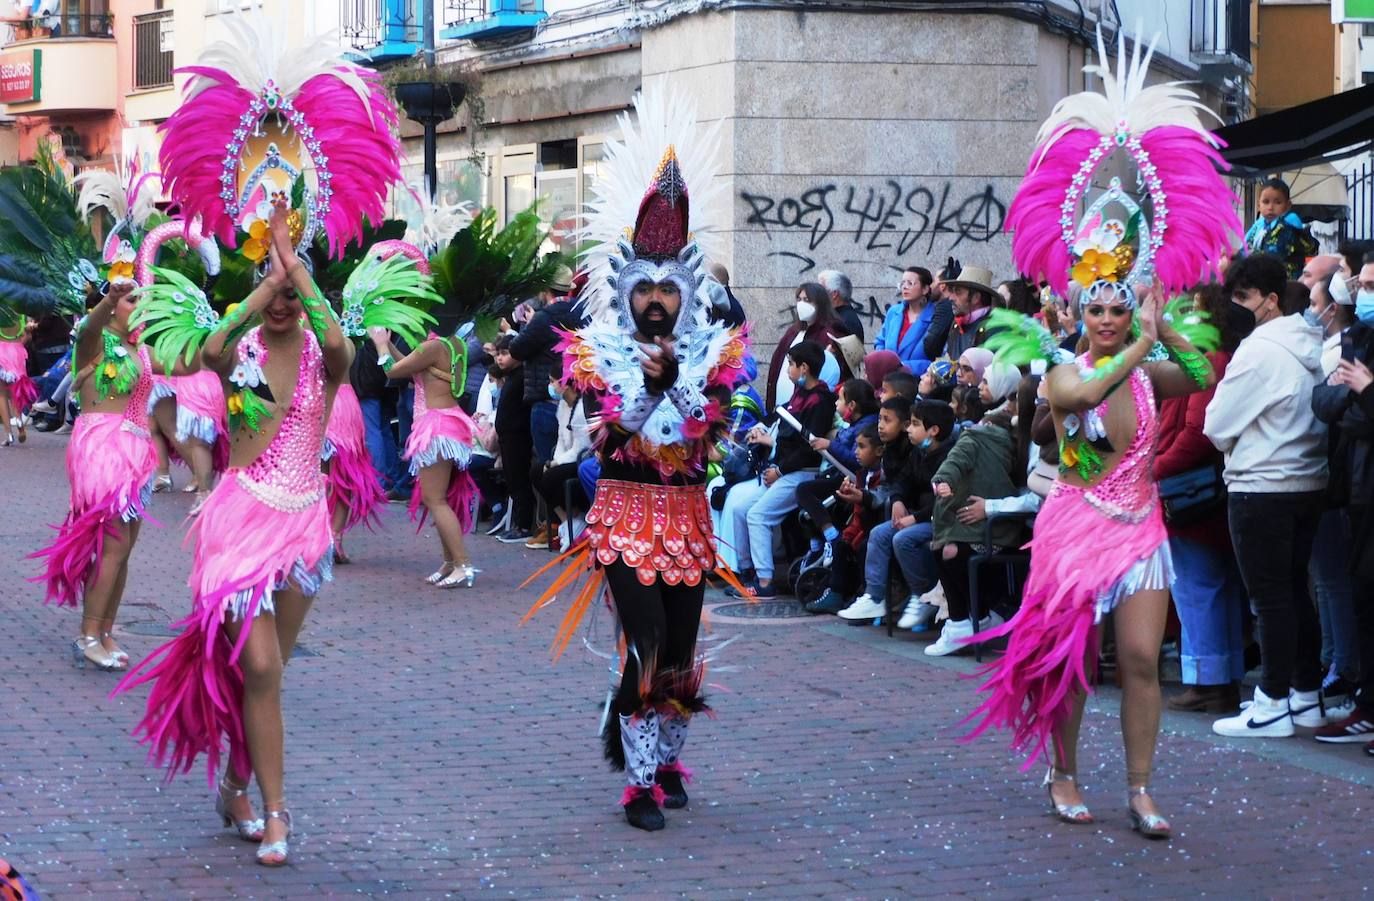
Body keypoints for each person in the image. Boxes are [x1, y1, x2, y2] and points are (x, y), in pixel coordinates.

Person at [963, 30, 1240, 840]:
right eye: (1100, 308)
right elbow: (1086, 392)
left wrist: (1168, 323)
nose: (1111, 318)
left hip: (1141, 526)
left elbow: (1202, 372)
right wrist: (1143, 342)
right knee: (1075, 662)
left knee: (1144, 660)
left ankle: (1143, 788)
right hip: (1076, 523)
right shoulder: (1062, 370)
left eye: (1121, 307)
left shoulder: (1149, 366)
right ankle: (1064, 771)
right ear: (1080, 309)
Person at [520, 96, 752, 831]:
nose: (655, 301)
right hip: (624, 518)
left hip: (688, 520)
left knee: (680, 652)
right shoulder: (595, 353)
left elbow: (703, 429)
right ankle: (639, 786)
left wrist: (678, 381)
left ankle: (668, 759)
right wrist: (652, 388)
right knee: (647, 644)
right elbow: (612, 433)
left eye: (667, 289)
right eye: (643, 289)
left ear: (686, 293)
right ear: (626, 292)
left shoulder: (716, 353)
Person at [118, 210, 355, 866]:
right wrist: (266, 283)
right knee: (262, 666)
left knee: (266, 678)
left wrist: (294, 266)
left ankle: (234, 787)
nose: (281, 304)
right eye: (271, 290)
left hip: (302, 527)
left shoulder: (325, 356)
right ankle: (277, 814)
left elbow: (341, 344)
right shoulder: (241, 349)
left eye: (291, 294)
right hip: (239, 522)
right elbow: (209, 351)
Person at [1205, 253, 1331, 738]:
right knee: (1293, 591)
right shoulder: (1310, 341)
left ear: (1271, 299)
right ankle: (1305, 695)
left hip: (1261, 485)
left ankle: (1273, 702)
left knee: (1271, 598)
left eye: (1245, 296)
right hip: (1306, 482)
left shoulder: (1257, 351)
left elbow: (1217, 424)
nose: (1237, 306)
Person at [31, 283, 160, 670]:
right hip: (104, 451)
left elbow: (192, 360)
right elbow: (88, 327)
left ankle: (104, 631)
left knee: (124, 550)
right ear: (114, 306)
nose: (139, 306)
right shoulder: (94, 342)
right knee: (113, 548)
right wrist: (108, 299)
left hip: (137, 452)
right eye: (132, 300)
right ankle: (88, 635)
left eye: (143, 301)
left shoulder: (142, 349)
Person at [1153, 285, 1249, 713]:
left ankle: (1206, 679)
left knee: (1197, 586)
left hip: (1189, 489)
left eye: (1193, 310)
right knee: (1216, 584)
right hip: (1207, 487)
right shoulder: (1219, 358)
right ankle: (1222, 676)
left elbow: (1196, 433)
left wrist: (1153, 471)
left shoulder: (1209, 361)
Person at [1310, 250, 1374, 752]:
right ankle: (1367, 704)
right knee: (1362, 596)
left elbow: (1358, 411)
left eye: (1371, 286)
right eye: (1363, 285)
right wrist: (1356, 400)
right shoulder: (1361, 338)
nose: (1363, 294)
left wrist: (1366, 393)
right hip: (1359, 489)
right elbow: (1327, 403)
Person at [722, 340, 837, 599]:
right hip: (781, 471)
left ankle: (764, 581)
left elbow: (809, 448)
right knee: (740, 509)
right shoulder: (800, 395)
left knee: (758, 516)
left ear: (804, 368)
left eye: (791, 365)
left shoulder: (820, 401)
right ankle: (747, 571)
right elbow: (779, 414)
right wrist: (760, 427)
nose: (787, 370)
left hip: (800, 472)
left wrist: (780, 471)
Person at [372, 324, 481, 587]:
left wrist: (380, 344)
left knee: (436, 500)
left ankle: (463, 565)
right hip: (448, 421)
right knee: (438, 499)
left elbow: (392, 371)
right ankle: (450, 562)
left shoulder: (433, 346)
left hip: (437, 427)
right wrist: (391, 344)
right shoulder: (452, 342)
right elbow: (412, 367)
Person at [321, 375, 386, 564]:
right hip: (334, 401)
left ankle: (327, 538)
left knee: (330, 479)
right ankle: (333, 538)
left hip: (329, 402)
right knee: (335, 480)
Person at [765, 281, 853, 410]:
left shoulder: (831, 333)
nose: (801, 304)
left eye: (807, 300)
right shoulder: (793, 331)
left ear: (820, 303)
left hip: (809, 407)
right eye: (799, 299)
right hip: (782, 404)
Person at [492, 335, 535, 543]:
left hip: (517, 436)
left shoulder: (522, 376)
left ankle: (524, 525)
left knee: (519, 480)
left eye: (505, 354)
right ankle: (519, 524)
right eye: (498, 354)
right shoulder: (510, 377)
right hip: (507, 436)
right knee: (512, 480)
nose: (500, 358)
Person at [873, 266, 951, 375]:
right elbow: (880, 341)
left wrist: (902, 367)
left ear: (925, 289)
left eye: (910, 283)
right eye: (903, 283)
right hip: (887, 377)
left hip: (917, 379)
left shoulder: (936, 316)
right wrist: (883, 361)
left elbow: (938, 359)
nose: (905, 287)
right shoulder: (894, 312)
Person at [1243, 178, 1318, 281]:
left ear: (1288, 205)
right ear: (1259, 205)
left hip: (1286, 281)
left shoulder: (1289, 224)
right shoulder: (1259, 225)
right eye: (1266, 202)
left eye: (1277, 202)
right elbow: (1245, 246)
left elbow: (1274, 253)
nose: (1270, 207)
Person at [942, 265, 1000, 358]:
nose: (951, 298)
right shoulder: (957, 324)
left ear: (976, 298)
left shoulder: (995, 328)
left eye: (958, 292)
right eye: (952, 292)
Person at [0, 312, 36, 445]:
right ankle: (19, 420)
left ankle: (9, 434)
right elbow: (27, 337)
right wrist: (17, 344)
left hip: (1, 352)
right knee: (15, 391)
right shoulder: (21, 316)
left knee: (2, 395)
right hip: (18, 353)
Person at [818, 269, 865, 345]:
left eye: (821, 289)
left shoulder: (847, 321)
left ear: (834, 294)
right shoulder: (835, 316)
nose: (817, 294)